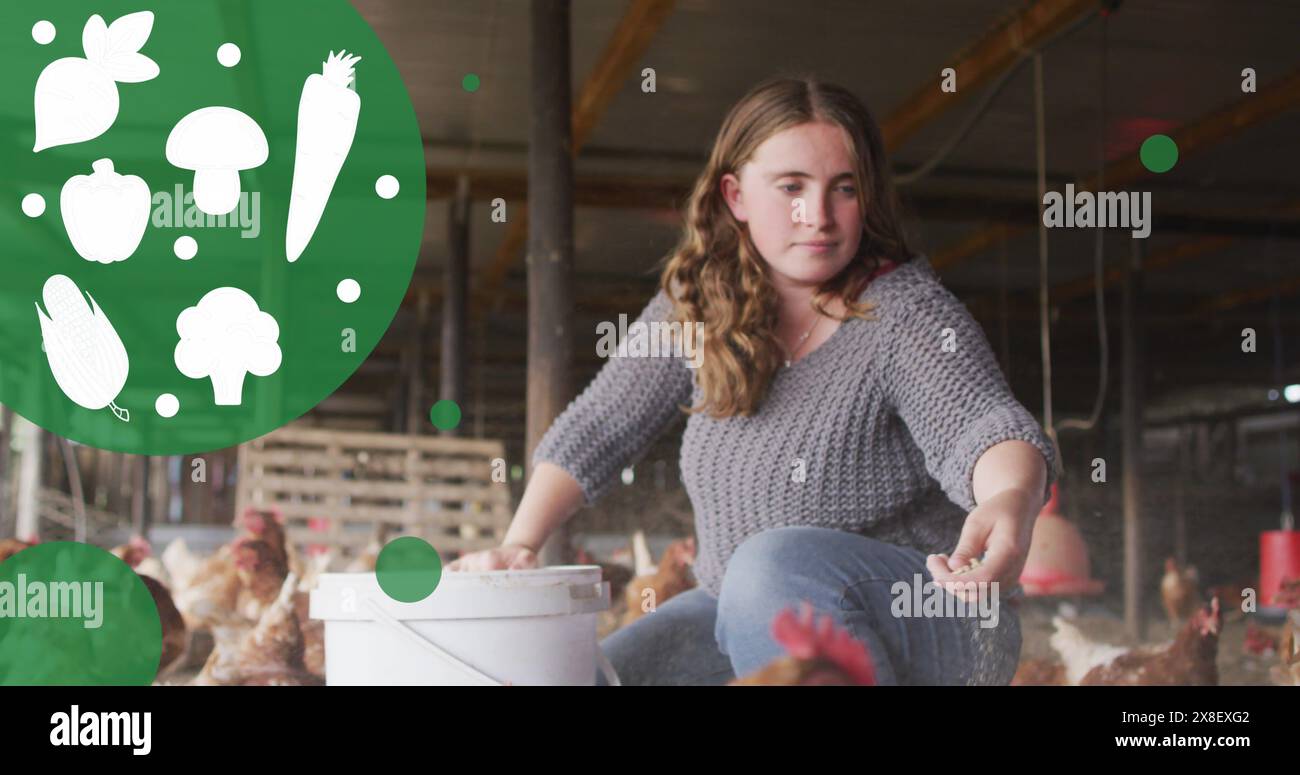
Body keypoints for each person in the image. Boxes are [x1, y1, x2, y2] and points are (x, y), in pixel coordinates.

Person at [448, 76, 1060, 686]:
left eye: (842, 189)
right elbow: (604, 421)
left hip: (928, 613)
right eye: (791, 187)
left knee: (768, 565)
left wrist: (1010, 497)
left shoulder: (904, 313)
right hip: (741, 608)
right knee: (598, 679)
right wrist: (520, 542)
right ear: (736, 195)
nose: (817, 216)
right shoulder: (695, 306)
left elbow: (980, 423)